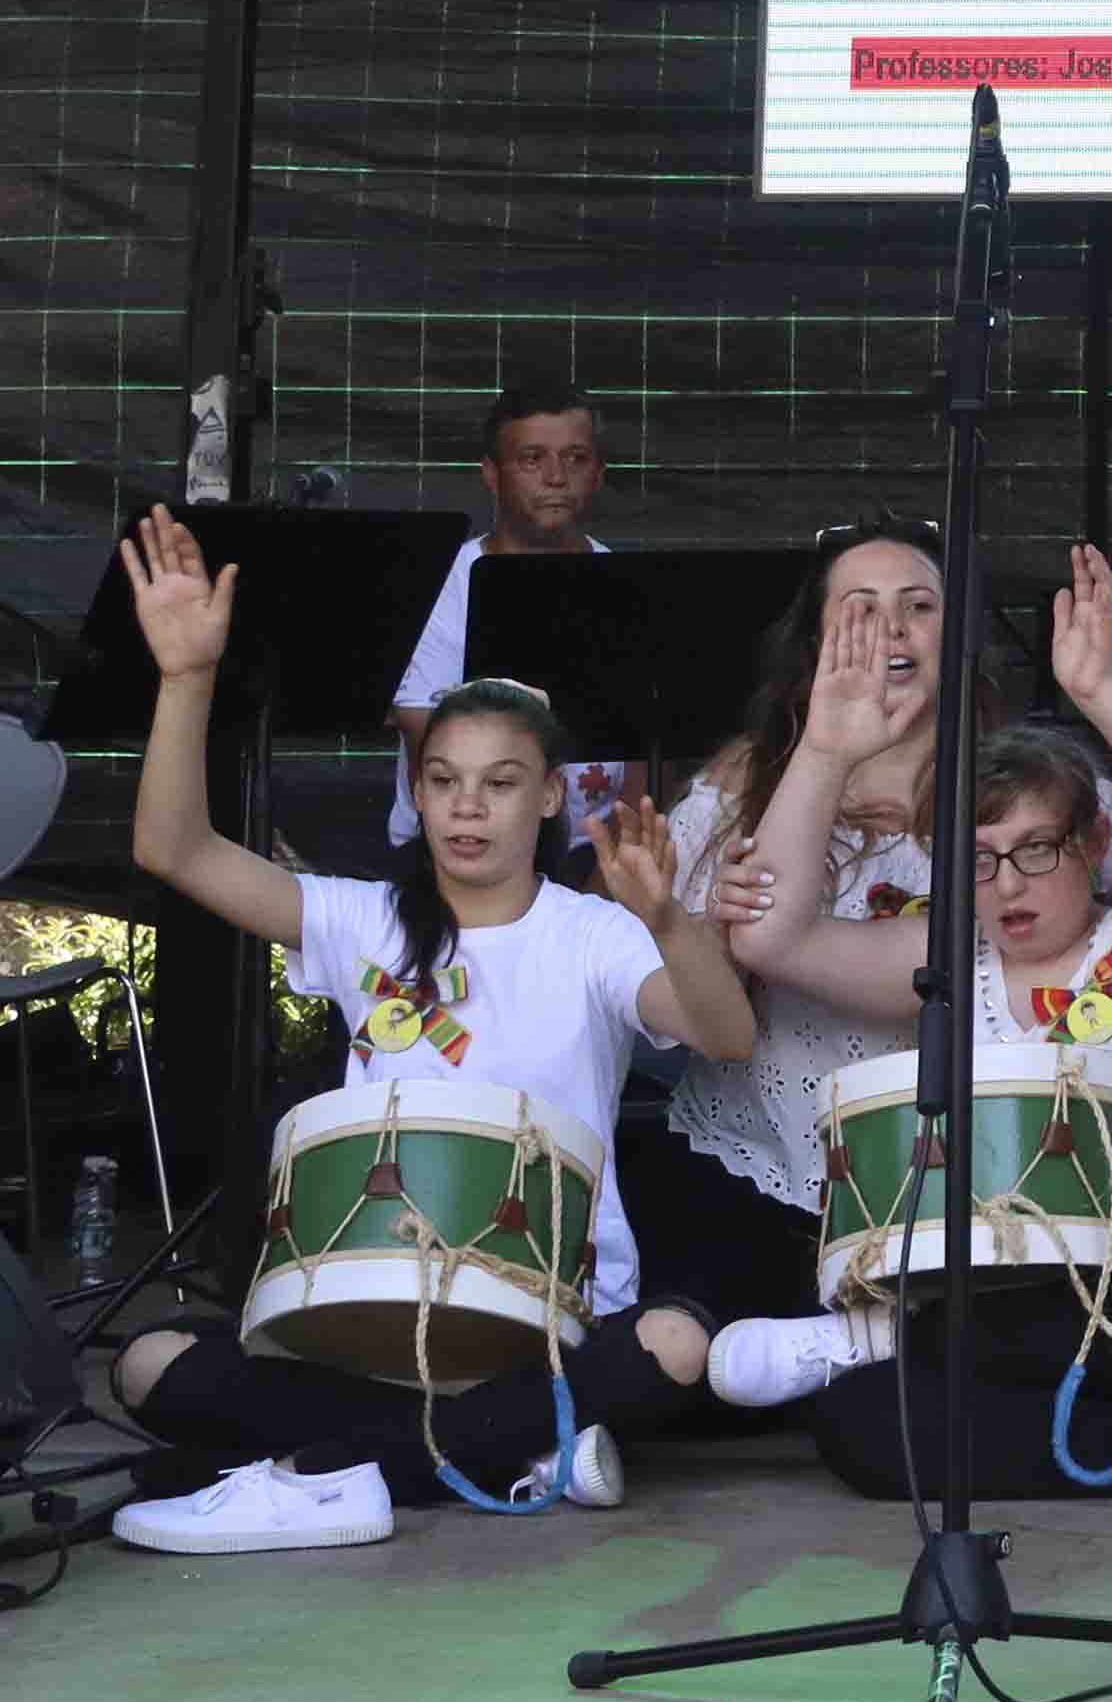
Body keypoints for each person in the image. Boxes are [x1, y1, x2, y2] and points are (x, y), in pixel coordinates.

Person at [108, 507, 743, 1554]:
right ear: (416, 789)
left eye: (500, 783)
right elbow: (174, 849)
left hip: (545, 1313)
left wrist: (671, 918)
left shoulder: (593, 934)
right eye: (442, 778)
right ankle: (509, 1454)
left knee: (673, 1345)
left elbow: (723, 1034)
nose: (467, 807)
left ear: (547, 798)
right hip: (367, 1308)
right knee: (148, 1361)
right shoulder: (362, 916)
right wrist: (184, 679)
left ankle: (320, 1473)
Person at [709, 549, 1112, 1504]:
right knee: (858, 1425)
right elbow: (767, 935)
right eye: (981, 859)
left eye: (1036, 850)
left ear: (1093, 845)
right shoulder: (949, 967)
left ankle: (880, 1336)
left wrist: (1100, 691)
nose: (1007, 884)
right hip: (1010, 1315)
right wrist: (828, 746)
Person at [626, 522, 1112, 1338]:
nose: (892, 629)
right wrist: (704, 920)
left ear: (957, 640)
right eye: (861, 608)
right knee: (687, 1352)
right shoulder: (731, 803)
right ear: (814, 645)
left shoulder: (1040, 791)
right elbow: (698, 1010)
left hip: (980, 1196)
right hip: (760, 1180)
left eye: (919, 606)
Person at [383, 377, 634, 859]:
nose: (556, 477)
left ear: (598, 474)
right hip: (457, 851)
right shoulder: (440, 583)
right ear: (492, 474)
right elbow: (427, 742)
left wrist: (615, 871)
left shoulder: (626, 581)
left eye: (576, 458)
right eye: (532, 458)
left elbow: (646, 753)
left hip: (595, 853)